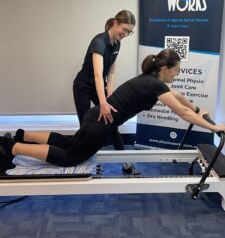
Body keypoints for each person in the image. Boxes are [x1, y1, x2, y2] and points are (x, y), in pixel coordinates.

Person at [1, 49, 225, 168]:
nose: (178, 74)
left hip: (94, 115)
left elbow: (179, 99)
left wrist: (197, 108)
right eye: (177, 70)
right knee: (70, 156)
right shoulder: (155, 84)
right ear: (165, 69)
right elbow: (181, 113)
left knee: (71, 143)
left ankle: (22, 134)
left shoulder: (150, 79)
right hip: (100, 126)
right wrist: (211, 126)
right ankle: (14, 147)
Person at [73, 10, 139, 175]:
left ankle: (125, 163)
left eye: (129, 32)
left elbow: (111, 72)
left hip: (99, 86)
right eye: (125, 30)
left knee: (112, 121)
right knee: (87, 126)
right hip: (83, 87)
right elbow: (97, 74)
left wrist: (110, 96)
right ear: (115, 23)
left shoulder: (117, 43)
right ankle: (89, 162)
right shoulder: (99, 42)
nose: (126, 34)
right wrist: (102, 103)